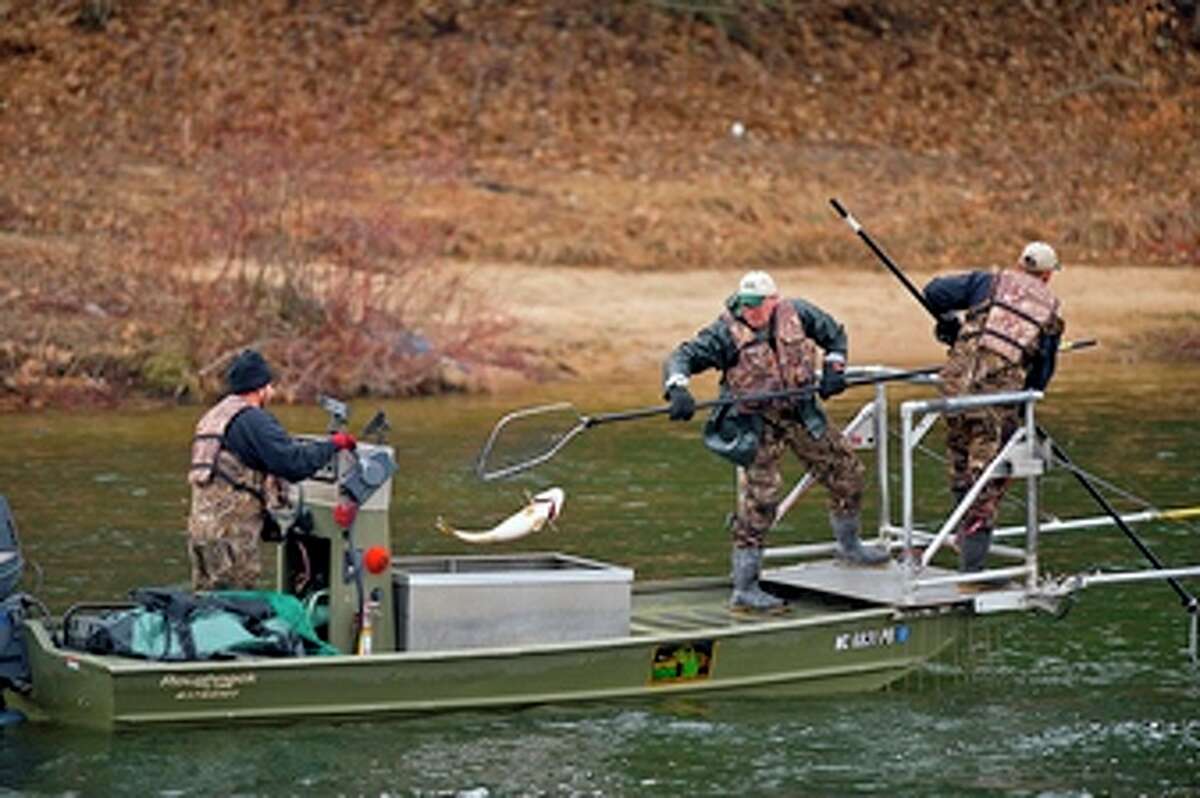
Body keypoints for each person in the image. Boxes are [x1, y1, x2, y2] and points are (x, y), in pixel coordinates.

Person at [662, 271, 890, 614]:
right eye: (744, 305)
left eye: (756, 306)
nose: (749, 312)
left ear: (773, 301)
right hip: (755, 424)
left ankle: (850, 546)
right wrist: (677, 388)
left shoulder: (798, 313)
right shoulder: (724, 332)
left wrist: (833, 369)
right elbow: (682, 357)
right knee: (761, 502)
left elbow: (835, 336)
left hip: (801, 413)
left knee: (848, 473)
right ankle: (745, 587)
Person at [923, 241, 1065, 578]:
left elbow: (934, 292)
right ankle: (972, 571)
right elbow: (1041, 377)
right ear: (1047, 276)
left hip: (953, 391)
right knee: (986, 481)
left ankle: (964, 546)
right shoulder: (1051, 315)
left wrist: (952, 325)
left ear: (1019, 264)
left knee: (960, 464)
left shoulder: (988, 282)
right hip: (993, 404)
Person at [186, 349, 358, 591]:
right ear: (260, 388)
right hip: (230, 539)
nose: (273, 392)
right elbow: (293, 463)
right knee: (237, 605)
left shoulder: (215, 417)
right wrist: (333, 445)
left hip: (201, 533)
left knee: (207, 605)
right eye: (270, 386)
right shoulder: (253, 420)